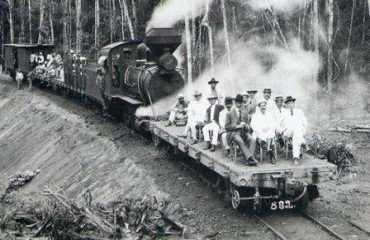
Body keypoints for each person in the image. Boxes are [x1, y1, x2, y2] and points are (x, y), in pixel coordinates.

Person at [225, 94, 258, 166]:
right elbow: (227, 127)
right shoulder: (229, 113)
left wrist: (246, 126)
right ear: (235, 103)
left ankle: (250, 160)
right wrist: (237, 126)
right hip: (234, 133)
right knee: (239, 140)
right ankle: (250, 158)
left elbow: (248, 125)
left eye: (240, 103)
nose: (239, 105)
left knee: (253, 140)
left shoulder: (245, 112)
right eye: (237, 103)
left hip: (244, 132)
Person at [281, 96, 308, 165]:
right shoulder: (283, 113)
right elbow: (279, 124)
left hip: (299, 131)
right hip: (288, 131)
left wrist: (303, 127)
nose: (290, 105)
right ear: (286, 105)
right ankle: (303, 143)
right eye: (289, 103)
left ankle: (296, 158)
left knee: (296, 133)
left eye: (292, 103)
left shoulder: (299, 111)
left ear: (294, 103)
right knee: (296, 130)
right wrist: (282, 130)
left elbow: (305, 122)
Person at [251, 99, 277, 163]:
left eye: (264, 105)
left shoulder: (269, 114)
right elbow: (253, 125)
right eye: (261, 106)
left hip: (268, 131)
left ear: (266, 106)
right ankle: (270, 154)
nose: (263, 107)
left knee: (270, 134)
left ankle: (268, 149)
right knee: (260, 136)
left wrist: (268, 128)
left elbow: (273, 123)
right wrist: (261, 129)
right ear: (259, 107)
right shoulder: (255, 115)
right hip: (259, 131)